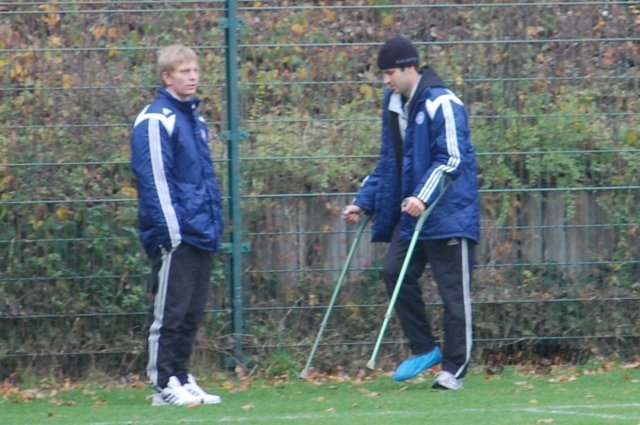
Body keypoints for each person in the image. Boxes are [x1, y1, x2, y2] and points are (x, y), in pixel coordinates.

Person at [342, 36, 479, 390]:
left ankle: (453, 369)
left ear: (409, 68)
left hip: (449, 214)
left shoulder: (442, 103)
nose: (386, 80)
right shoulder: (394, 105)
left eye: (390, 72)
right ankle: (425, 348)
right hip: (413, 215)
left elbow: (452, 159)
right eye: (384, 74)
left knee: (454, 295)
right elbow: (390, 162)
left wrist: (422, 195)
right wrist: (364, 201)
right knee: (393, 273)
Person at [130, 44, 224, 405]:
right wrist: (172, 233)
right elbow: (155, 181)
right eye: (185, 71)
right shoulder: (156, 120)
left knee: (191, 312)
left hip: (201, 231)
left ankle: (181, 377)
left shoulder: (195, 120)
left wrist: (212, 225)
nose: (193, 77)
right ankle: (163, 384)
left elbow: (202, 180)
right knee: (170, 312)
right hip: (176, 234)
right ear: (166, 77)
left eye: (195, 70)